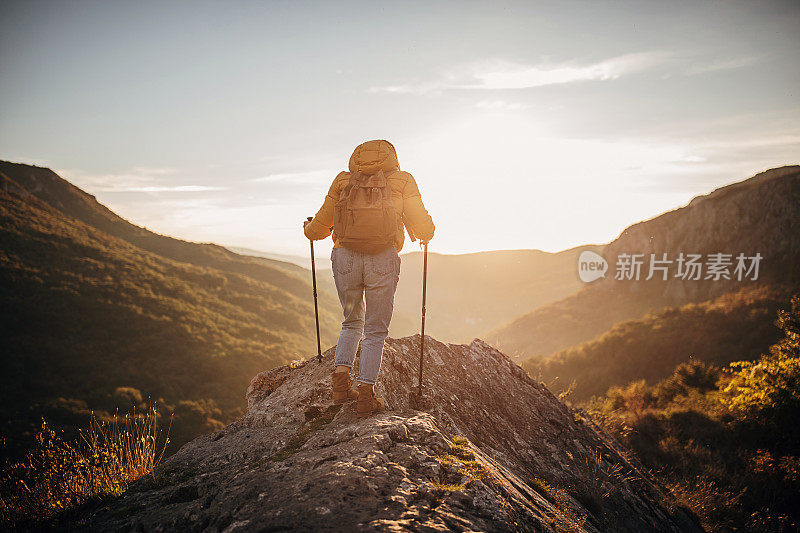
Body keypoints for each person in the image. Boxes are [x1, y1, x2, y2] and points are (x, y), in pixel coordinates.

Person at [304, 139, 435, 416]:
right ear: (392, 157)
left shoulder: (343, 181)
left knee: (351, 322)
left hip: (345, 260)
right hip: (382, 261)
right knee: (375, 329)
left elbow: (318, 228)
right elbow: (423, 228)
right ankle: (365, 396)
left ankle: (341, 388)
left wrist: (308, 228)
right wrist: (427, 228)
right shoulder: (402, 181)